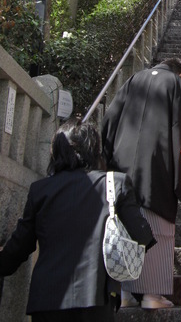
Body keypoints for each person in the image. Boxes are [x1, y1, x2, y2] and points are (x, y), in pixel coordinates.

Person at [0, 120, 155, 322]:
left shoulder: (40, 190)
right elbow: (143, 236)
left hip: (47, 301)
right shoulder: (115, 184)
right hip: (95, 298)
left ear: (56, 150)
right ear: (94, 150)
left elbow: (20, 246)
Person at [101, 56, 181, 310]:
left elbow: (110, 119)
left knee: (122, 225)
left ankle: (123, 293)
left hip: (122, 164)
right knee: (157, 228)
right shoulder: (178, 86)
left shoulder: (134, 79)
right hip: (159, 165)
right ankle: (151, 294)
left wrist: (108, 157)